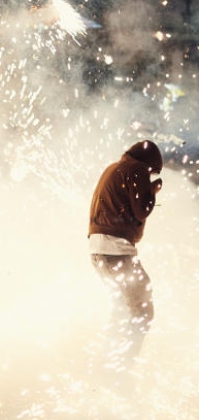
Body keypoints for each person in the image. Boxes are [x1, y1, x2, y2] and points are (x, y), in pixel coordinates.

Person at [88, 139, 162, 375]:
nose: (149, 175)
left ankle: (107, 366)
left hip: (98, 251)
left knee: (122, 309)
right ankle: (121, 370)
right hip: (116, 251)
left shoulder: (114, 168)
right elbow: (143, 209)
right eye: (153, 171)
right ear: (149, 163)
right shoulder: (137, 169)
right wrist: (152, 192)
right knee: (142, 311)